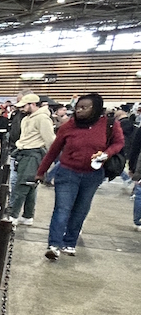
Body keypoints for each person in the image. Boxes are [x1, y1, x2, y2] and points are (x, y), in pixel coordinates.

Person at [35, 93, 123, 260]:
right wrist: (41, 171)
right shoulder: (68, 126)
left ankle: (70, 242)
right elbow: (53, 150)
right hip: (67, 172)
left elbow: (119, 143)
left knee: (81, 210)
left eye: (84, 107)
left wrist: (106, 154)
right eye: (78, 107)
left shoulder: (109, 125)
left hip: (93, 175)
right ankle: (53, 245)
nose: (79, 111)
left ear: (95, 109)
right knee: (62, 209)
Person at [7, 93, 54, 226]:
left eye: (24, 106)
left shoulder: (42, 118)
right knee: (30, 186)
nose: (21, 108)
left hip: (33, 154)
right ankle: (27, 216)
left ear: (32, 104)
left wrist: (48, 160)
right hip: (25, 153)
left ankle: (13, 216)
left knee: (22, 186)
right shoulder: (28, 118)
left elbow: (50, 140)